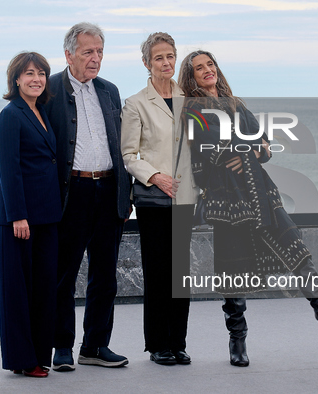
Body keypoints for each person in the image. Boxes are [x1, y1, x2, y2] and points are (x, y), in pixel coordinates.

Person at [177, 50, 318, 367]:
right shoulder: (193, 109)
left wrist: (250, 148)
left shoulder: (236, 104)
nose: (207, 70)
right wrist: (247, 145)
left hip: (261, 191)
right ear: (192, 77)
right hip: (226, 199)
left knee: (293, 245)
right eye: (199, 68)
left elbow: (265, 146)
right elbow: (208, 142)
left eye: (210, 64)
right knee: (232, 270)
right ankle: (237, 341)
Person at [43, 22, 131, 371]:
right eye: (88, 52)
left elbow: (122, 144)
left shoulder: (109, 90)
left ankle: (95, 345)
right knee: (63, 275)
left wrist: (126, 195)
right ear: (69, 54)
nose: (95, 59)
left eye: (99, 52)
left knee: (105, 275)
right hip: (72, 193)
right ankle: (61, 346)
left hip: (109, 191)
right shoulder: (49, 90)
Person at [121, 32, 198, 365]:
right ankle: (157, 344)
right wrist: (155, 175)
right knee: (157, 272)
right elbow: (128, 153)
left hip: (186, 196)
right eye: (158, 58)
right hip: (154, 199)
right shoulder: (136, 103)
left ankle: (178, 342)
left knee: (180, 272)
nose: (166, 63)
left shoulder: (191, 98)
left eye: (170, 57)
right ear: (146, 63)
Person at [0, 52, 62, 378]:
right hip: (19, 219)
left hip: (47, 216)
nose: (36, 79)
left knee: (43, 289)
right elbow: (9, 170)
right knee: (18, 293)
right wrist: (18, 215)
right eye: (29, 73)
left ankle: (39, 355)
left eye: (41, 74)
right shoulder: (10, 116)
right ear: (16, 79)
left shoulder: (41, 111)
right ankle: (22, 359)